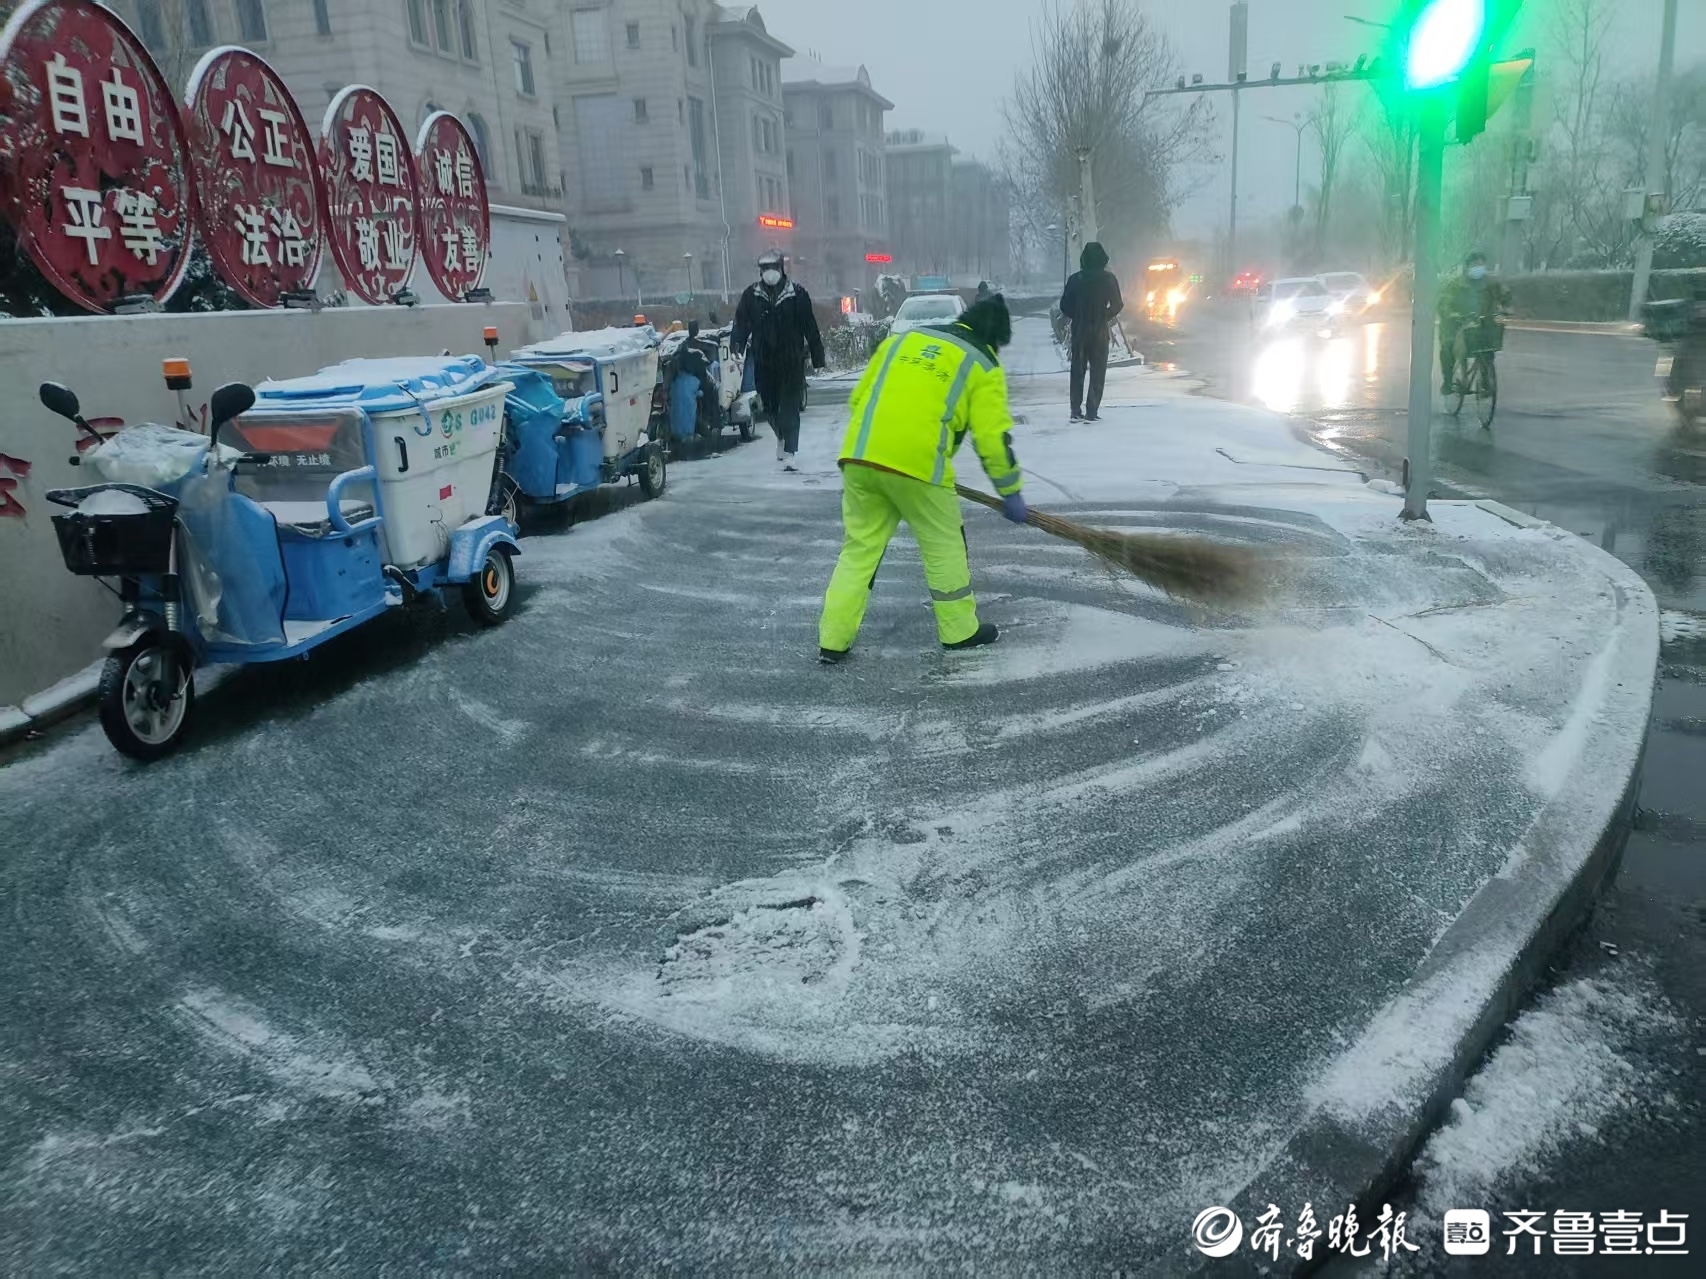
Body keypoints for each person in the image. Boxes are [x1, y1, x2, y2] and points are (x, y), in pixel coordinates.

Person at [817, 294, 1026, 662]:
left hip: (860, 455)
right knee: (944, 543)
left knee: (859, 550)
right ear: (995, 338)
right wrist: (1010, 491)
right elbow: (993, 440)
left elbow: (859, 399)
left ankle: (832, 641)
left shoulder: (903, 341)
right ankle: (960, 632)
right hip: (920, 466)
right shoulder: (983, 364)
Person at [733, 249, 825, 471]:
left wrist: (817, 355)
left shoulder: (797, 294)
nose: (769, 273)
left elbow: (810, 326)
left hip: (791, 360)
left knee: (790, 406)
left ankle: (791, 451)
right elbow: (741, 323)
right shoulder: (751, 296)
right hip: (764, 361)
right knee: (769, 406)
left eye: (772, 268)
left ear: (781, 268)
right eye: (764, 269)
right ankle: (781, 436)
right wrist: (736, 344)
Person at [1059, 241, 1123, 423]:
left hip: (1080, 331)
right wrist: (1105, 315)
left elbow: (1064, 305)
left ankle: (1075, 410)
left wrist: (1077, 315)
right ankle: (1091, 411)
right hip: (1099, 332)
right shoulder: (1109, 279)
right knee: (1098, 371)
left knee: (1077, 370)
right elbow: (1118, 304)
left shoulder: (1075, 279)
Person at [1437, 251, 1511, 394]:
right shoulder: (1456, 284)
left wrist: (1507, 307)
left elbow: (1505, 296)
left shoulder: (1491, 283)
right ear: (1468, 266)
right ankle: (1447, 382)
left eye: (1481, 264)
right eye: (1475, 264)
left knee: (1488, 349)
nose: (1478, 267)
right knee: (1448, 348)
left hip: (1483, 323)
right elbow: (1444, 302)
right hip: (1458, 324)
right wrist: (1451, 314)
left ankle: (1485, 380)